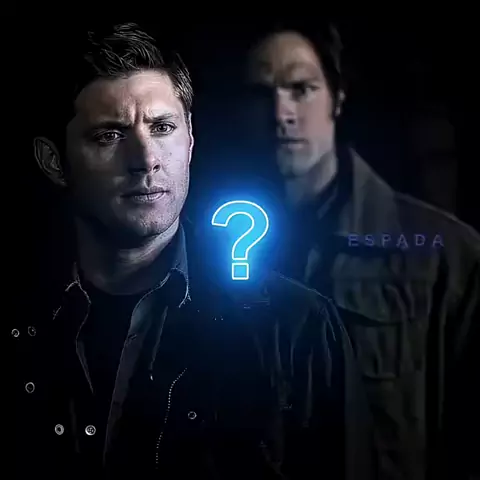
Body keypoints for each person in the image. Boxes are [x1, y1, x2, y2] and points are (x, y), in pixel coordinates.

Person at [13, 23, 372, 480]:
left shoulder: (297, 328)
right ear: (54, 161)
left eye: (162, 128)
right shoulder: (24, 320)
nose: (146, 159)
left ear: (190, 142)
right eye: (109, 135)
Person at [238, 22, 480, 480]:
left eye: (301, 88)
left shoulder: (444, 255)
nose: (281, 112)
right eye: (259, 94)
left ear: (337, 97)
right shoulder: (208, 253)